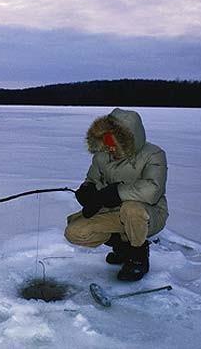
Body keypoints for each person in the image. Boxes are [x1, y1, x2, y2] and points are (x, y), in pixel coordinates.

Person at [64, 108, 168, 281]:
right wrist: (87, 190)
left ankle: (138, 256)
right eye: (106, 142)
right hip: (113, 213)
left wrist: (116, 192)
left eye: (113, 144)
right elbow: (92, 178)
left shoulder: (154, 155)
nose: (109, 148)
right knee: (74, 232)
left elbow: (152, 190)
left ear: (127, 140)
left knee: (132, 209)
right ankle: (122, 246)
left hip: (149, 214)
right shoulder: (101, 156)